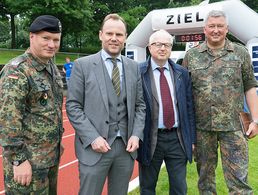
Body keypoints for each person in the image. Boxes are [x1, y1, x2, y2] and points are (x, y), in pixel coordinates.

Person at [66, 13, 146, 195]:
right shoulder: (82, 65)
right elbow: (73, 106)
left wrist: (136, 134)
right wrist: (92, 137)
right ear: (101, 34)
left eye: (119, 35)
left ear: (125, 37)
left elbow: (140, 106)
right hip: (94, 148)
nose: (114, 38)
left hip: (125, 147)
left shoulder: (134, 67)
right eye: (109, 33)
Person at [182, 10, 258, 194]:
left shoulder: (240, 53)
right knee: (205, 182)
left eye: (220, 26)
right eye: (212, 26)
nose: (216, 30)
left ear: (227, 29)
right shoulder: (191, 56)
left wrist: (255, 119)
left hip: (233, 128)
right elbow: (183, 93)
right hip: (201, 130)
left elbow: (250, 86)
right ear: (204, 29)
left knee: (239, 182)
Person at [0, 15, 63, 194]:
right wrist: (18, 160)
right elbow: (7, 122)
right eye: (46, 38)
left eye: (55, 39)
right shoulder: (18, 71)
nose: (51, 44)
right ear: (31, 37)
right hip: (28, 165)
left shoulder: (49, 66)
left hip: (49, 160)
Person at [137, 29, 196, 195]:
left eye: (167, 45)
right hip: (150, 138)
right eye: (158, 44)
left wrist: (191, 138)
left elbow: (189, 107)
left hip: (177, 139)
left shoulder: (181, 73)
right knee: (147, 187)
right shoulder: (138, 72)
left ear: (171, 48)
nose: (162, 48)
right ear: (149, 47)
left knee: (179, 187)